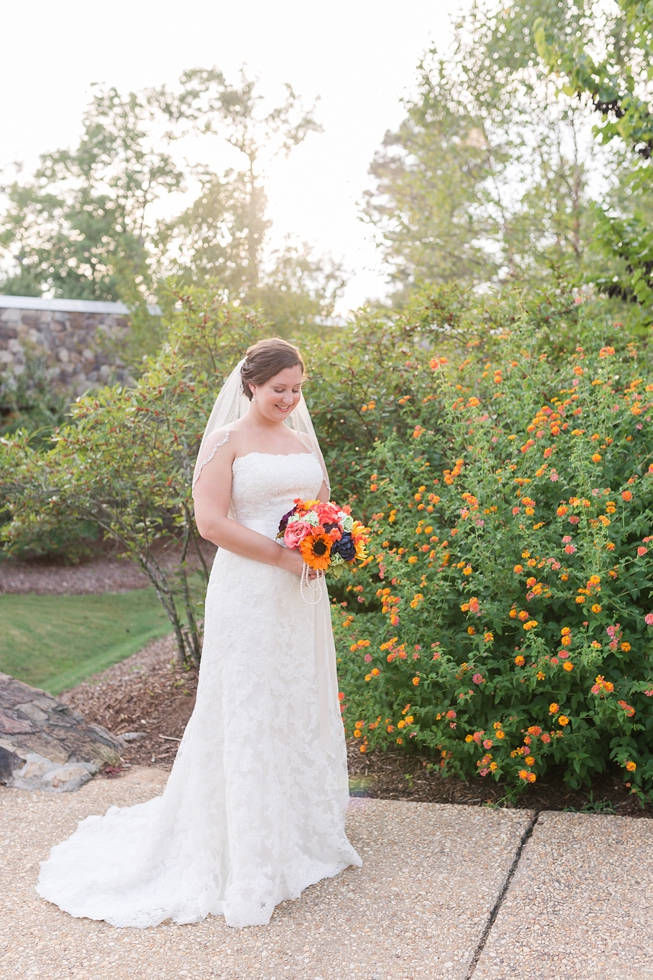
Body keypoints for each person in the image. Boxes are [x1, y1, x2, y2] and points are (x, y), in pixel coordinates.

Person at [37, 337, 361, 929]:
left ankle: (294, 826)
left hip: (298, 594)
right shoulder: (226, 442)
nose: (289, 399)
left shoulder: (301, 442)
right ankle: (240, 842)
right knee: (245, 704)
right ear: (250, 385)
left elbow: (319, 507)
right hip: (250, 591)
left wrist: (322, 541)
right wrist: (282, 556)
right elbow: (211, 523)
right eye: (277, 389)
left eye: (296, 389)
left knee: (294, 695)